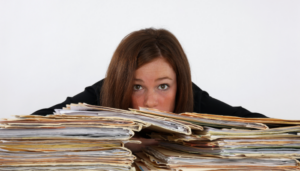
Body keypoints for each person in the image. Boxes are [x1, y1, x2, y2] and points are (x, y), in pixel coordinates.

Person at [32, 28, 267, 151]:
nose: (150, 102)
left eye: (163, 86)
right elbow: (31, 127)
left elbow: (268, 128)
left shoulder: (193, 100)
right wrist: (115, 142)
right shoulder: (100, 95)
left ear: (179, 84)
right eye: (136, 87)